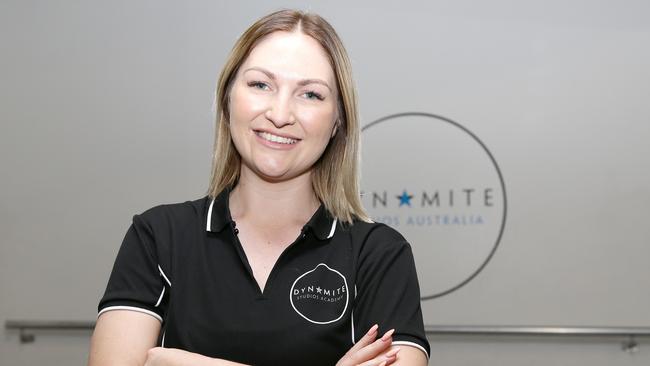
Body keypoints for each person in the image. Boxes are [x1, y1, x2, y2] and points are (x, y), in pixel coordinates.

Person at [88, 9, 429, 366]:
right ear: (228, 98)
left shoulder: (378, 255)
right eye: (260, 85)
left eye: (311, 94)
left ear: (337, 122)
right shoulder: (159, 237)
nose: (280, 114)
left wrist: (176, 362)